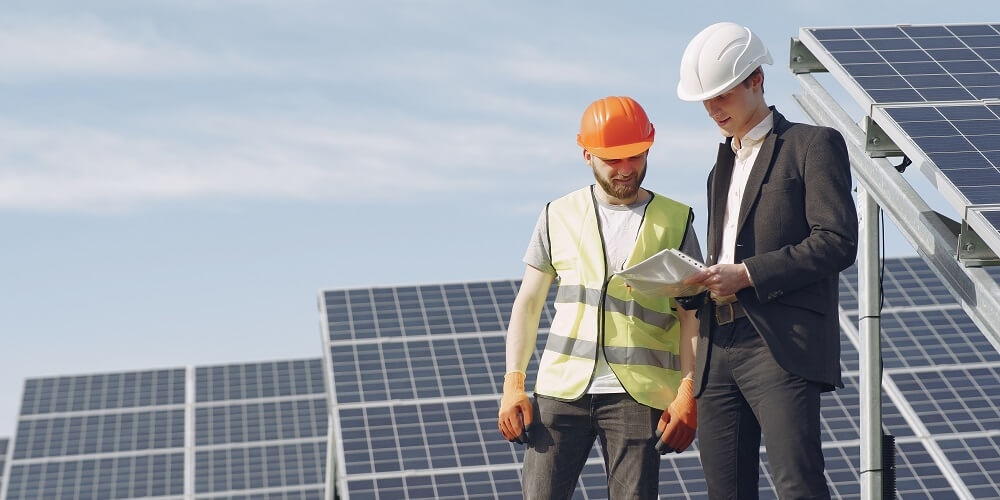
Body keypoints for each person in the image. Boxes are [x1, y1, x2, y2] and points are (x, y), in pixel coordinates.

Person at [676, 22, 859, 499]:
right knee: (725, 492)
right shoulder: (720, 167)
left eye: (722, 94)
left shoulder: (813, 144)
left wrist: (749, 274)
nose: (712, 109)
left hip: (777, 343)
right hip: (718, 348)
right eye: (704, 100)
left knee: (797, 486)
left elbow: (837, 240)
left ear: (756, 79)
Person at [497, 95, 703, 499]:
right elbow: (528, 303)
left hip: (639, 395)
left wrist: (687, 390)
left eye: (636, 156)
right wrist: (513, 383)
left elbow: (692, 316)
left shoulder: (677, 220)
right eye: (614, 160)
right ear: (587, 154)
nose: (627, 169)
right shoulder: (557, 215)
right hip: (561, 392)